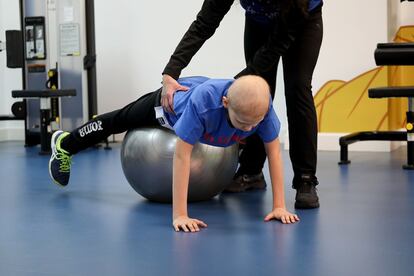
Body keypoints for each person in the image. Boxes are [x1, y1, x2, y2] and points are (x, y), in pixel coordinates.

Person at [48, 75, 299, 232]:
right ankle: (65, 145)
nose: (249, 128)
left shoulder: (260, 109)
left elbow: (274, 152)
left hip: (204, 96)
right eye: (242, 123)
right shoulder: (204, 104)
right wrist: (180, 214)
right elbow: (181, 156)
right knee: (118, 120)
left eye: (253, 124)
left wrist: (279, 206)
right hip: (166, 107)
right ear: (225, 104)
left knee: (261, 135)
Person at [161, 0, 323, 209]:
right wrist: (171, 71)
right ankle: (251, 171)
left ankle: (305, 179)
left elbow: (273, 50)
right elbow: (204, 23)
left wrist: (230, 89)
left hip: (301, 20)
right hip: (258, 22)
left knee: (297, 88)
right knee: (254, 91)